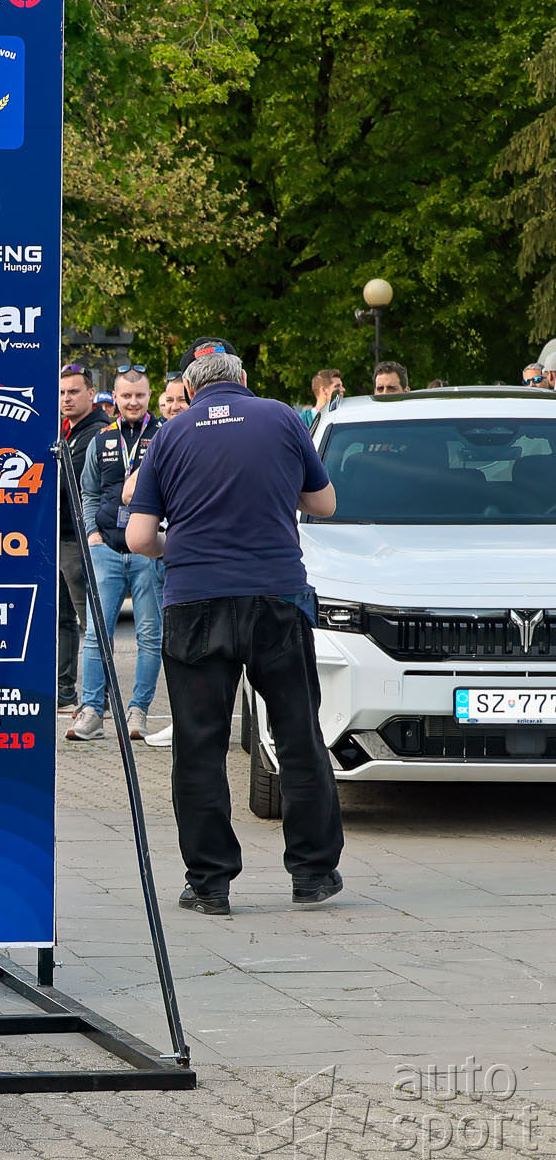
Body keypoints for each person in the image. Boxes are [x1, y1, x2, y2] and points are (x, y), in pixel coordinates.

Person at [126, 338, 344, 916]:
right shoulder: (282, 417)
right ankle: (313, 874)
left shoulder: (168, 434)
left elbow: (140, 538)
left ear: (189, 389)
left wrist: (182, 545)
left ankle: (210, 884)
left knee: (199, 746)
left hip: (195, 602)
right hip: (277, 597)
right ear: (243, 380)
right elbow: (324, 504)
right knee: (298, 735)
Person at [70, 367, 167, 742]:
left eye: (140, 395)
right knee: (96, 634)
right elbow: (89, 492)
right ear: (114, 397)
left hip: (148, 551)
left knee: (149, 634)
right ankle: (92, 712)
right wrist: (92, 534)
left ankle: (138, 711)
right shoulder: (102, 439)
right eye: (126, 396)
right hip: (106, 549)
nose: (133, 402)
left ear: (149, 395)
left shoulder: (164, 436)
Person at [55, 364, 109, 711]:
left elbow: (67, 482)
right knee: (64, 621)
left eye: (73, 392)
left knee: (91, 624)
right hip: (61, 538)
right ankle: (65, 691)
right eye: (62, 393)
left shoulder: (98, 433)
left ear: (91, 394)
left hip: (82, 542)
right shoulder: (68, 432)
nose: (66, 399)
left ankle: (98, 698)